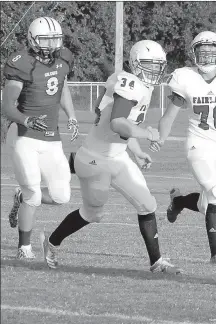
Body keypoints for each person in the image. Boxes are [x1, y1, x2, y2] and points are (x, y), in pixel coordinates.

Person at [40, 40, 180, 274]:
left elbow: (120, 121)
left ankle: (157, 262)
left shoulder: (136, 85)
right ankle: (51, 242)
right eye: (150, 65)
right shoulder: (131, 85)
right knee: (93, 214)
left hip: (118, 157)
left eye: (158, 66)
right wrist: (147, 134)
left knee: (147, 204)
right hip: (95, 160)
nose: (155, 71)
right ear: (136, 64)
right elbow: (117, 123)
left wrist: (136, 151)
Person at [151, 31, 216, 264]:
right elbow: (169, 116)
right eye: (202, 52)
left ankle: (178, 202)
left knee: (207, 202)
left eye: (211, 53)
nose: (206, 57)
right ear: (194, 53)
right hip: (197, 144)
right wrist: (160, 138)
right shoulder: (186, 78)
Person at [2, 17, 79, 259]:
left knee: (61, 196)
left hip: (51, 136)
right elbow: (7, 105)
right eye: (46, 39)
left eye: (56, 39)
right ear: (33, 40)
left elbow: (61, 87)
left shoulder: (64, 58)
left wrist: (72, 116)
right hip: (23, 135)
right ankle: (24, 248)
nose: (52, 44)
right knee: (34, 196)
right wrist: (26, 120)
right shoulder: (21, 63)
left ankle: (21, 195)